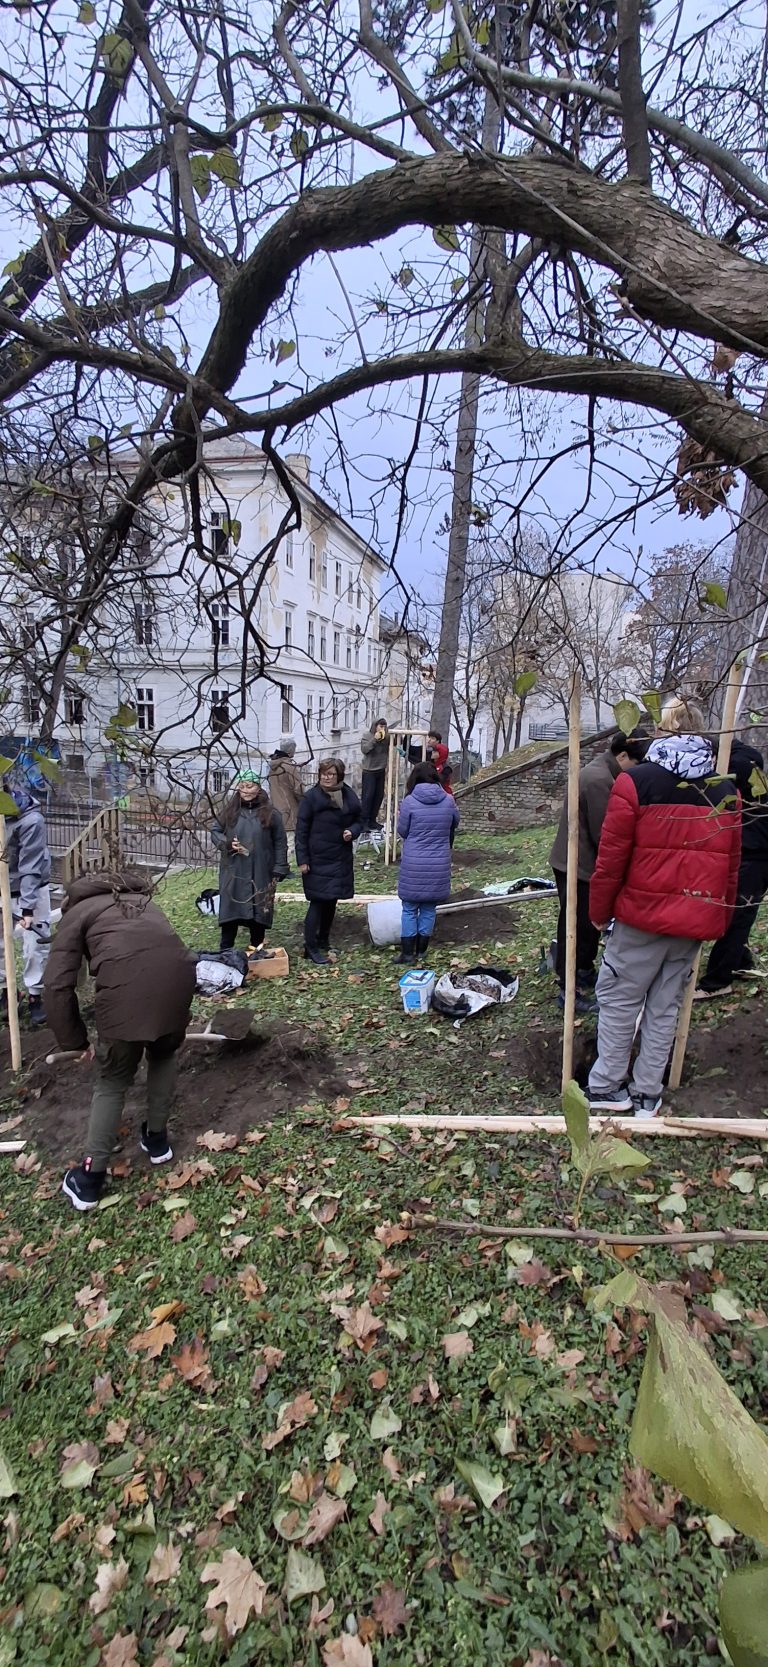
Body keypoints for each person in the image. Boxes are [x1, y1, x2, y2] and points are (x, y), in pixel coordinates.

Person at [587, 699, 741, 1119]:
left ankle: (605, 1088)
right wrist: (721, 918)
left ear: (663, 731)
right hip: (692, 921)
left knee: (620, 1001)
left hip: (641, 916)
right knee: (665, 1007)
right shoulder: (726, 790)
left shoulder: (635, 782)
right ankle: (647, 1094)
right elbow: (731, 866)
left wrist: (599, 911)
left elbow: (611, 858)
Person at [43, 869, 197, 1210]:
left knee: (113, 1078)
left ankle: (89, 1180)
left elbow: (55, 985)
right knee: (163, 1054)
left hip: (128, 992)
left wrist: (75, 1042)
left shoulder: (78, 911)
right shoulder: (142, 902)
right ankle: (157, 1141)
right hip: (179, 981)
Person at [549, 728, 651, 1013]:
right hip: (577, 866)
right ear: (622, 755)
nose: (637, 770)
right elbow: (604, 834)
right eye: (636, 762)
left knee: (588, 925)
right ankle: (568, 990)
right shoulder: (599, 781)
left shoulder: (605, 773)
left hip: (581, 863)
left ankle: (582, 970)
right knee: (577, 926)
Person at [695, 738, 768, 997]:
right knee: (740, 912)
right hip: (752, 850)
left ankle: (717, 981)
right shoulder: (746, 759)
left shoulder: (735, 765)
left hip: (755, 853)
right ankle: (741, 962)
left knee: (737, 915)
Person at [211, 769, 289, 952]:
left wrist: (280, 866)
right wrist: (227, 844)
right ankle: (226, 951)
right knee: (231, 909)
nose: (245, 790)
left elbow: (280, 841)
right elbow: (215, 831)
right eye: (242, 786)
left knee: (259, 910)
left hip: (261, 870)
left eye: (250, 786)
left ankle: (256, 949)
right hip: (234, 870)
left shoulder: (271, 813)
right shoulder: (230, 811)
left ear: (258, 787)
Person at [295, 758, 362, 964]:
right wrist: (303, 859)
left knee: (331, 900)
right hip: (317, 858)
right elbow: (301, 830)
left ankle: (323, 940)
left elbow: (360, 820)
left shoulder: (348, 795)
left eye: (331, 774)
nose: (326, 777)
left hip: (339, 857)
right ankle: (310, 946)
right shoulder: (311, 798)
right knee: (317, 902)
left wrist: (352, 831)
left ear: (339, 776)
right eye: (323, 773)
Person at [396, 760, 460, 962]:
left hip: (414, 862)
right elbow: (455, 822)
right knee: (429, 908)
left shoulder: (409, 801)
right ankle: (422, 951)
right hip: (439, 861)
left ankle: (407, 953)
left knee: (409, 908)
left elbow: (402, 831)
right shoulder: (448, 800)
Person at [0, 782, 52, 1026]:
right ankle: (5, 993)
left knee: (35, 946)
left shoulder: (32, 821)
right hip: (1, 886)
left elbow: (30, 866)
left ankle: (35, 996)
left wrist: (28, 908)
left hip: (31, 889)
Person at [268, 738, 304, 861]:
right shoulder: (289, 766)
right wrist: (304, 802)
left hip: (275, 808)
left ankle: (277, 864)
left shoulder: (272, 767)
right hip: (290, 809)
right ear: (290, 751)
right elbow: (298, 789)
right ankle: (286, 867)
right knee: (289, 842)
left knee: (277, 840)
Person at [360, 718, 389, 832]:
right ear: (375, 726)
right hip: (369, 770)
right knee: (368, 796)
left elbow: (395, 742)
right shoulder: (367, 735)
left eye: (384, 726)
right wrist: (374, 740)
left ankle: (372, 820)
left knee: (379, 795)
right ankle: (364, 821)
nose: (382, 728)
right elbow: (365, 749)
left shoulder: (386, 737)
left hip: (380, 769)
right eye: (380, 726)